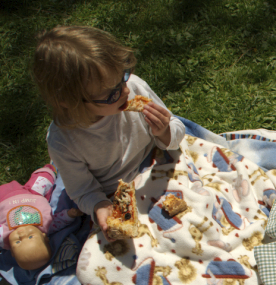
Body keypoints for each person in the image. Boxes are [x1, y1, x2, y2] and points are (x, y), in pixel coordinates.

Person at [32, 25, 185, 239]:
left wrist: (164, 132)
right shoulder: (63, 140)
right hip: (116, 193)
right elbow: (83, 190)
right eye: (111, 93)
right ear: (68, 101)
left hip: (159, 162)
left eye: (122, 78)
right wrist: (100, 206)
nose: (125, 91)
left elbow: (178, 132)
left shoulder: (134, 88)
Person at [0, 164, 82, 270]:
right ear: (44, 236)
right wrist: (70, 215)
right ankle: (50, 169)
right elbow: (59, 221)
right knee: (44, 179)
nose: (21, 234)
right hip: (32, 192)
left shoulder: (3, 236)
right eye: (30, 237)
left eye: (17, 241)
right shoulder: (45, 226)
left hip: (2, 199)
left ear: (11, 251)